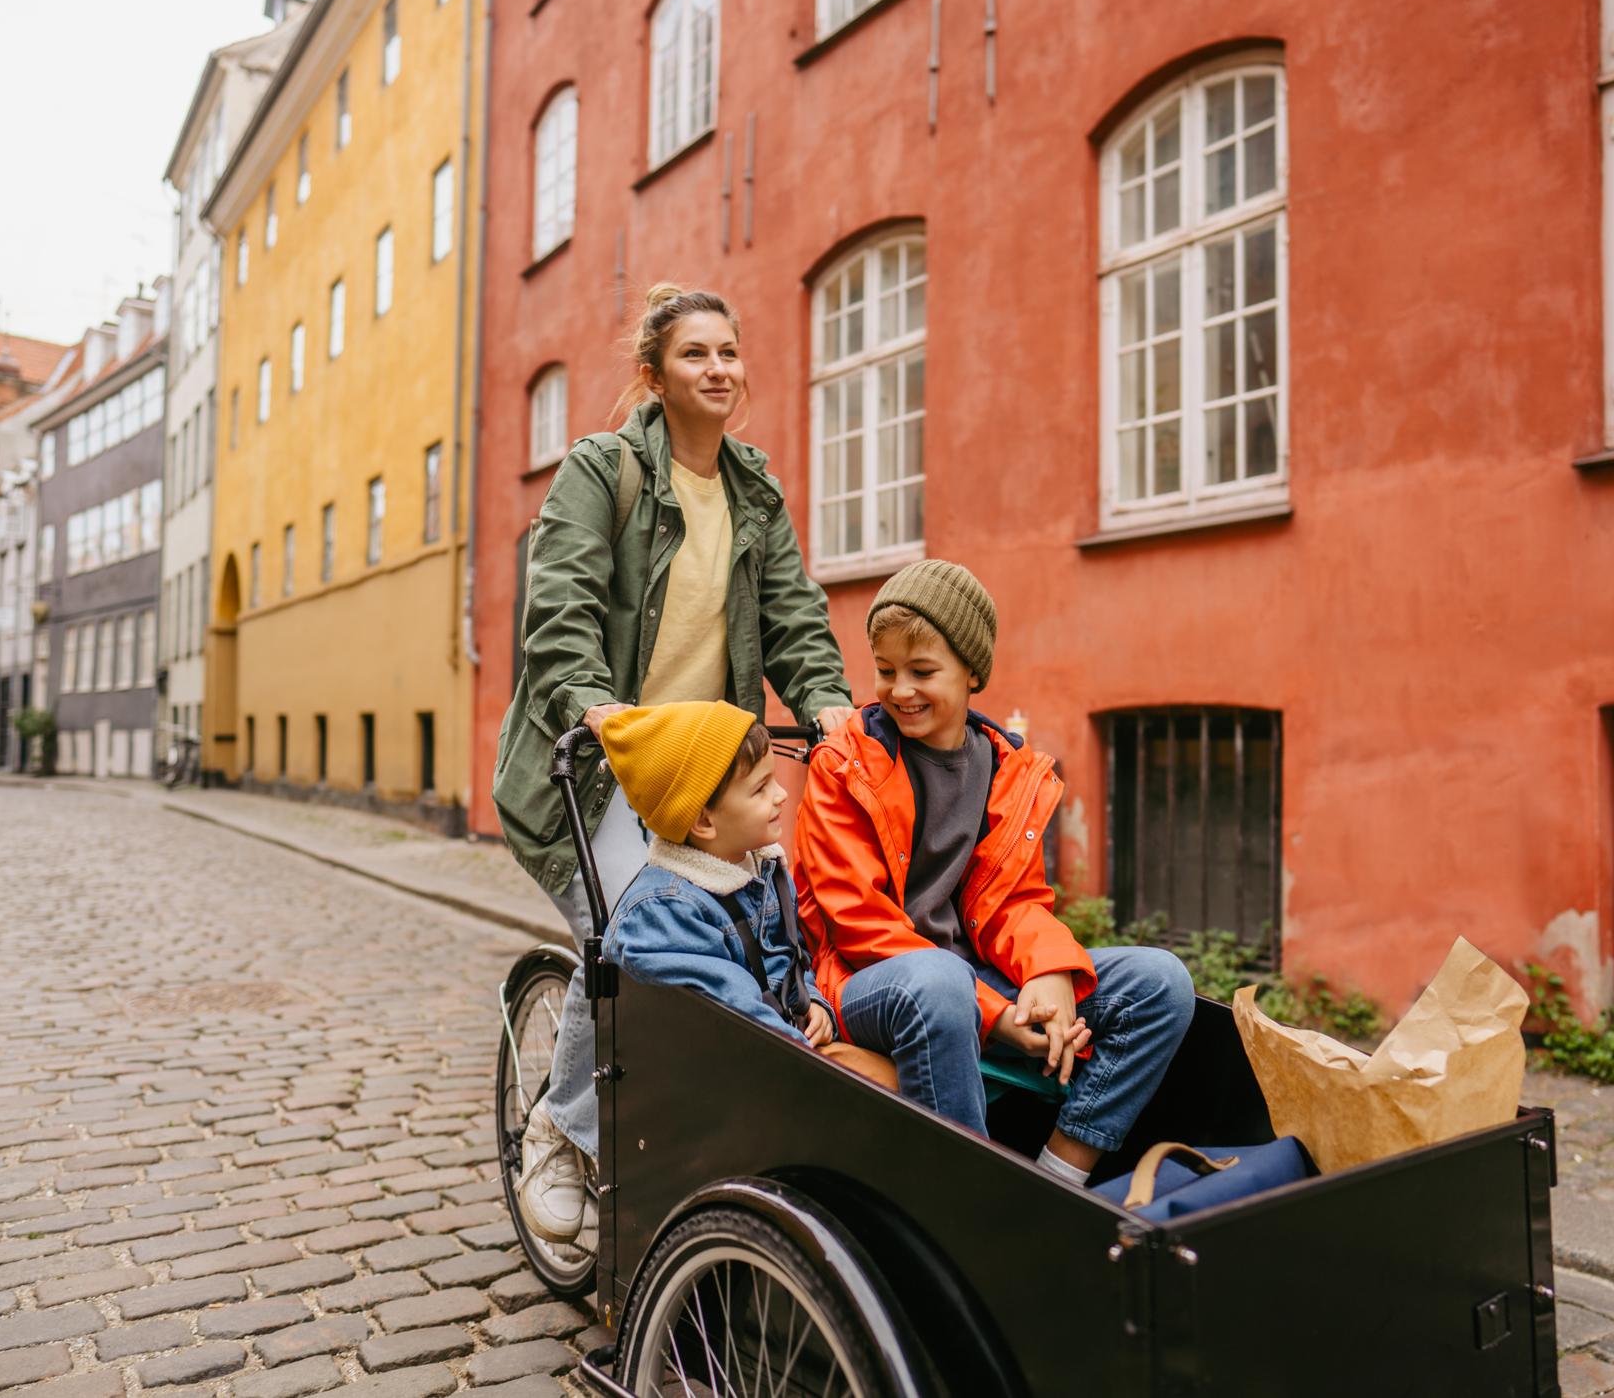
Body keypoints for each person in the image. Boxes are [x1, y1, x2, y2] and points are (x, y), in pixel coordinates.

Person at [493, 285, 854, 1242]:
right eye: (696, 354)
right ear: (653, 377)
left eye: (730, 352)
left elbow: (793, 617)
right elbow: (560, 608)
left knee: (744, 933)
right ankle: (558, 1134)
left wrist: (826, 700)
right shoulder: (600, 472)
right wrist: (593, 703)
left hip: (703, 773)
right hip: (601, 767)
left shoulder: (754, 491)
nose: (719, 370)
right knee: (627, 942)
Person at [794, 560, 1196, 1186]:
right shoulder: (842, 765)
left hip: (971, 977)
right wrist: (998, 1016)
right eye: (885, 671)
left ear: (973, 672)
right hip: (870, 982)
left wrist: (1050, 972)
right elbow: (857, 924)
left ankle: (1060, 1179)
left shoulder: (1007, 769)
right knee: (940, 980)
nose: (901, 690)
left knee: (1160, 982)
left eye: (923, 672)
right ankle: (977, 1199)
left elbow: (1015, 903)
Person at [600, 703, 833, 1046]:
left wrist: (811, 999)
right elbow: (735, 1011)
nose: (782, 795)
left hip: (772, 1051)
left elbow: (788, 957)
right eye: (761, 788)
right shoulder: (666, 911)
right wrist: (808, 1060)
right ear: (705, 822)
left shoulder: (764, 869)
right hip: (730, 1064)